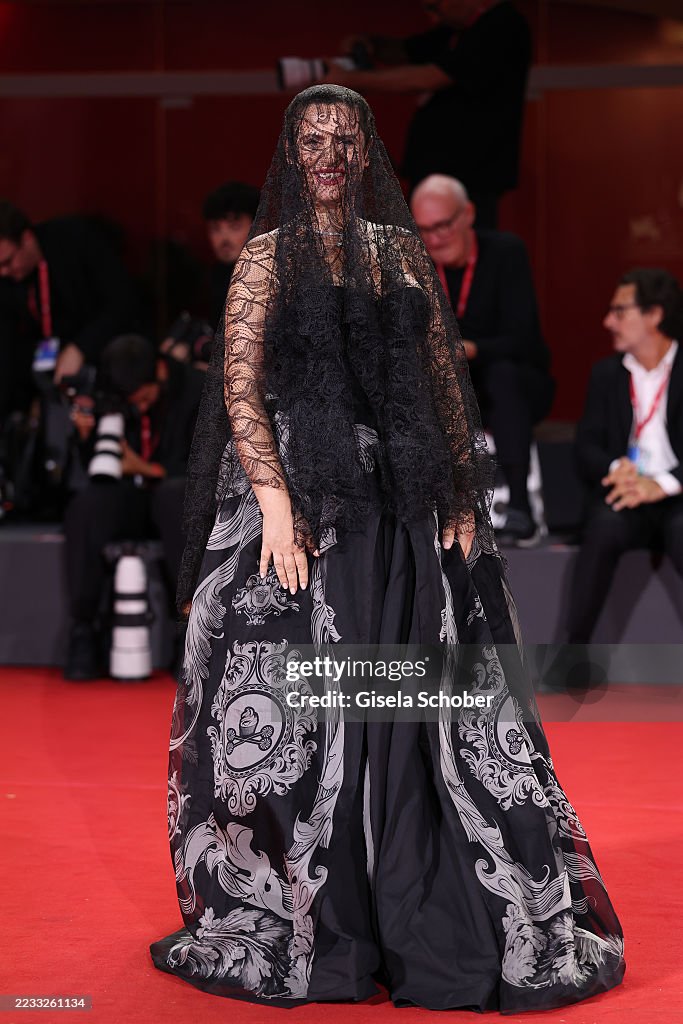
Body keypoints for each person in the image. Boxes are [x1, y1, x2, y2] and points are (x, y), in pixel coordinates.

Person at [149, 85, 624, 1011]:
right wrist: (277, 508)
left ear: (365, 152)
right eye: (311, 139)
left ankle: (420, 901)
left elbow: (440, 377)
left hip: (400, 504)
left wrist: (456, 492)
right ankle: (322, 911)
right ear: (291, 153)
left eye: (343, 139)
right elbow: (241, 391)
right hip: (299, 507)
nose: (327, 154)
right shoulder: (263, 260)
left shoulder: (397, 253)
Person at [411, 174, 554, 544]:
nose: (434, 238)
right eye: (424, 229)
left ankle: (519, 507)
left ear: (468, 214)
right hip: (451, 385)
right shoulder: (417, 263)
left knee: (504, 375)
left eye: (442, 225)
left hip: (514, 385)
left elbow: (523, 338)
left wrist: (471, 349)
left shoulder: (505, 252)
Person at [63, 334, 204, 681]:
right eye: (132, 402)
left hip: (177, 493)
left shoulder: (197, 389)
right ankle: (84, 630)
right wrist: (85, 438)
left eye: (144, 398)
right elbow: (101, 468)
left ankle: (188, 631)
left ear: (159, 371)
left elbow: (207, 468)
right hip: (131, 496)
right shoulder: (111, 394)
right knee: (86, 506)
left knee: (173, 494)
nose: (139, 408)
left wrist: (146, 468)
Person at [321, 0, 532, 227]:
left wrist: (348, 80)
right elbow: (410, 51)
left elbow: (432, 76)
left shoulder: (501, 25)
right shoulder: (456, 30)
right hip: (436, 168)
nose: (433, 17)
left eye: (434, 7)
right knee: (422, 247)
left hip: (471, 171)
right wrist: (371, 45)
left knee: (456, 245)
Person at [566, 268, 683, 645]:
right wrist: (618, 468)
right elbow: (585, 447)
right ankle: (573, 655)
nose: (607, 321)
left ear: (654, 315)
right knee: (603, 526)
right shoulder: (607, 374)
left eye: (619, 311)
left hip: (676, 494)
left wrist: (660, 484)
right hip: (627, 493)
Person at [0, 201, 136, 412]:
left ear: (26, 238)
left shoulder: (74, 239)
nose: (4, 272)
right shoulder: (8, 281)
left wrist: (81, 347)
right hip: (48, 383)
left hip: (105, 366)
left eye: (7, 262)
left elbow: (122, 301)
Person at [202, 181, 261, 330]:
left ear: (258, 225)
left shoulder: (274, 277)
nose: (224, 239)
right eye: (215, 229)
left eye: (235, 227)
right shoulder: (211, 277)